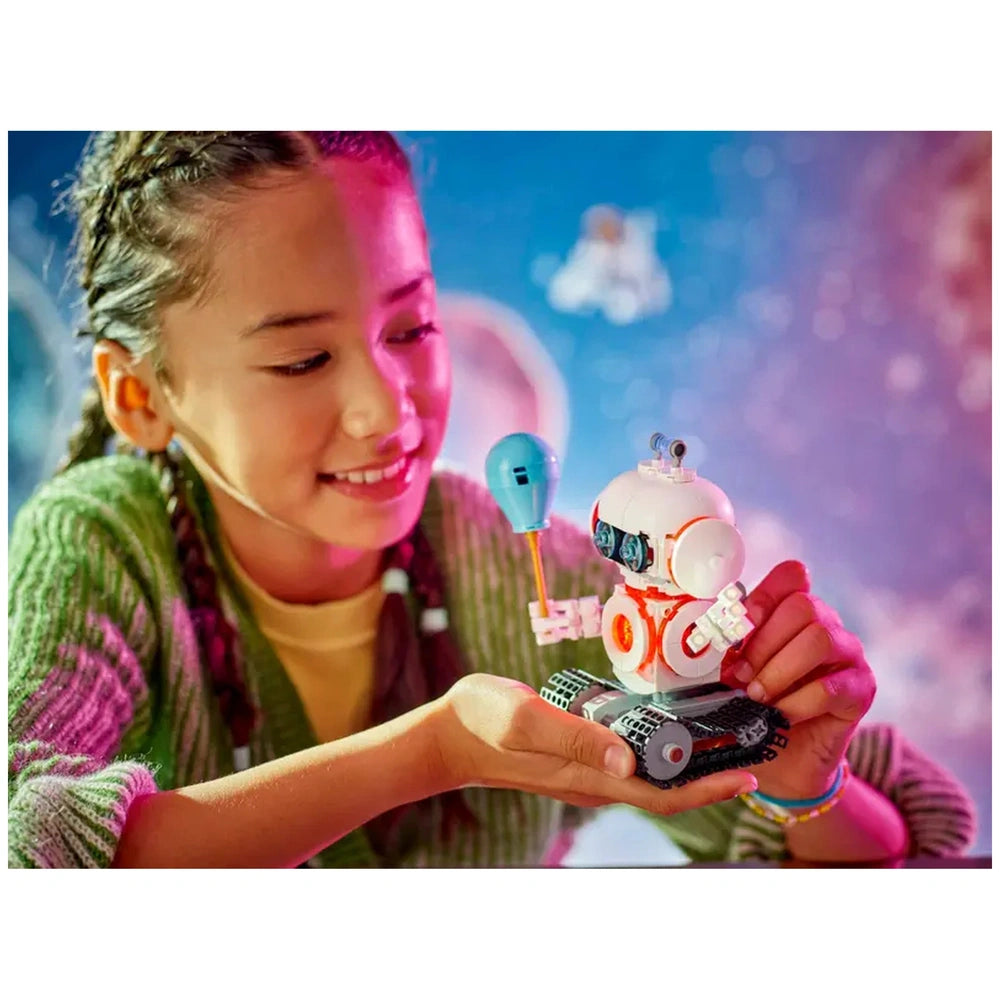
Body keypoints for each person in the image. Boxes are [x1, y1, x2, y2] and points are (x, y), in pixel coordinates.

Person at [7, 131, 976, 868]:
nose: (385, 408)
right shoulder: (98, 545)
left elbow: (903, 845)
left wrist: (808, 783)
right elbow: (31, 856)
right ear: (140, 395)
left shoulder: (531, 577)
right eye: (303, 357)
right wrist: (430, 753)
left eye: (413, 326)